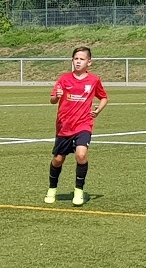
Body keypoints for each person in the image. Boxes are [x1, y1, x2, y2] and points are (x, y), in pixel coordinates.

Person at [44, 46, 108, 206]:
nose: (78, 62)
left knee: (81, 154)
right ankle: (52, 188)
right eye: (76, 59)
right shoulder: (64, 79)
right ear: (72, 61)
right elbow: (52, 100)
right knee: (58, 160)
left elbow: (104, 97)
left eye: (82, 59)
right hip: (64, 125)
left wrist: (98, 110)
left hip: (83, 124)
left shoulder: (94, 80)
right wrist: (56, 96)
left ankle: (78, 191)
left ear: (89, 62)